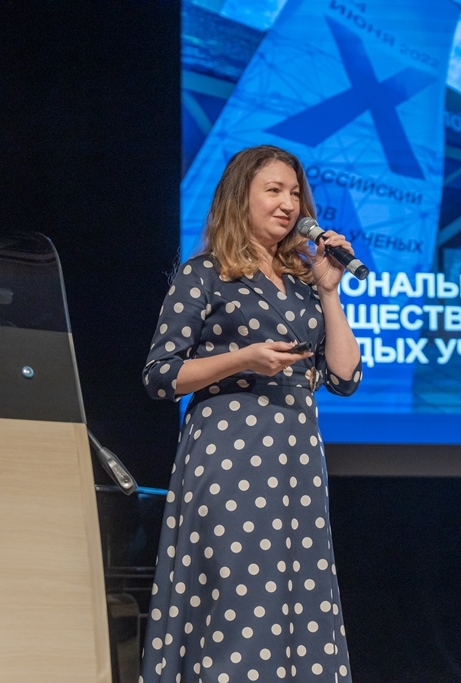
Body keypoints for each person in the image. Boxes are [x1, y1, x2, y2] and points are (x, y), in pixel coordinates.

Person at [140, 145, 361, 682]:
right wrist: (242, 359)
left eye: (295, 193)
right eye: (274, 190)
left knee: (298, 598)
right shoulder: (205, 273)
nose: (288, 204)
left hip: (295, 462)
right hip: (230, 457)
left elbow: (345, 378)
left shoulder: (304, 283)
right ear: (241, 197)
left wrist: (329, 292)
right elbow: (160, 375)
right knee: (238, 595)